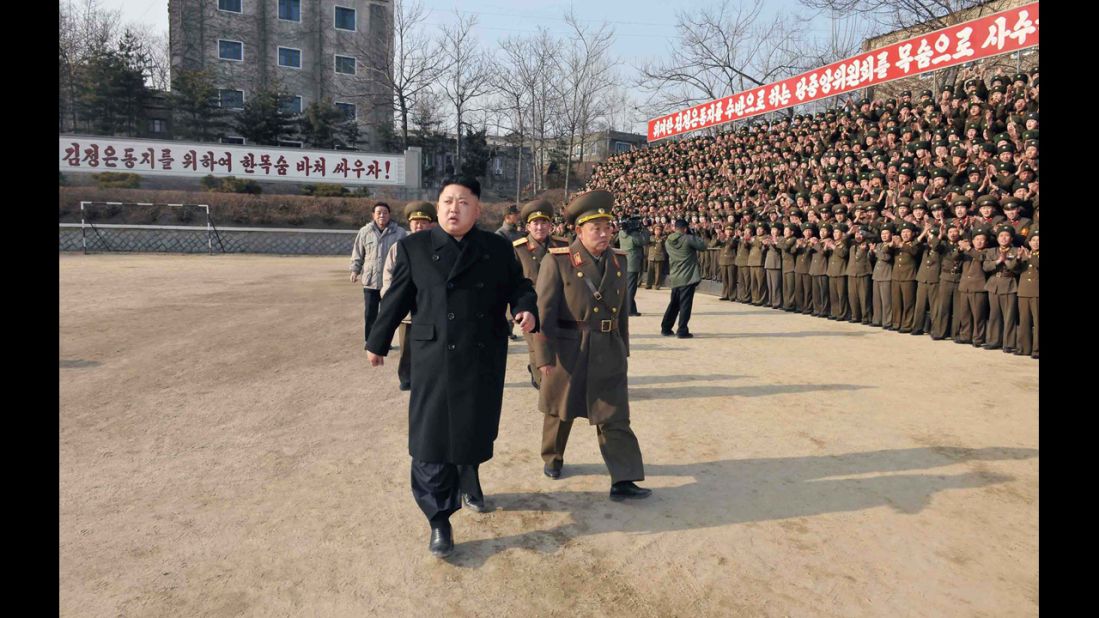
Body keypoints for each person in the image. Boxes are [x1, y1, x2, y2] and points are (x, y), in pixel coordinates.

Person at [365, 176, 539, 558]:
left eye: (463, 202)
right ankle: (439, 519)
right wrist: (377, 341)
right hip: (433, 358)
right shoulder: (415, 247)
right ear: (438, 206)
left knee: (474, 426)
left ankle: (469, 473)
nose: (453, 208)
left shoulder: (496, 247)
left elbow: (519, 286)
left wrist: (526, 307)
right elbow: (396, 299)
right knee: (430, 439)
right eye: (446, 201)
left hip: (481, 354)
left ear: (477, 210)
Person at [531, 189, 650, 500]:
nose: (603, 233)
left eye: (607, 227)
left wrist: (623, 348)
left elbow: (622, 312)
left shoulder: (619, 261)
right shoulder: (557, 262)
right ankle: (553, 457)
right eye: (595, 228)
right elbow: (543, 313)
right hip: (568, 348)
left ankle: (623, 479)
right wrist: (541, 356)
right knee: (561, 409)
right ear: (578, 230)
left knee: (615, 414)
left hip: (607, 348)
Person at [512, 199, 570, 390]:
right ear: (528, 226)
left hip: (559, 306)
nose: (540, 227)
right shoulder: (518, 249)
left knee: (559, 346)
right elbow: (511, 283)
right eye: (535, 223)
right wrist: (513, 312)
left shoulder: (563, 246)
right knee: (537, 347)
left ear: (550, 225)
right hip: (532, 309)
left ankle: (553, 378)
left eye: (544, 222)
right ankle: (541, 383)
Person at [380, 201, 437, 391]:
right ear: (409, 224)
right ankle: (406, 377)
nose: (419, 225)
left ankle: (428, 377)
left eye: (423, 222)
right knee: (407, 348)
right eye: (415, 222)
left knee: (431, 347)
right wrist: (391, 299)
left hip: (430, 309)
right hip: (406, 311)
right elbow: (388, 275)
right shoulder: (399, 247)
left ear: (432, 224)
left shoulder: (438, 246)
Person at [350, 202, 407, 348]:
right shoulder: (365, 231)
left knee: (387, 314)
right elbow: (358, 253)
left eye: (385, 212)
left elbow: (405, 256)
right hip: (371, 281)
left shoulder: (399, 233)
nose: (382, 215)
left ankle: (384, 342)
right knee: (370, 314)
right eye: (379, 212)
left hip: (390, 281)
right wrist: (355, 270)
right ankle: (370, 341)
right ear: (373, 215)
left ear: (390, 215)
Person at [661, 218, 708, 338]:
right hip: (688, 276)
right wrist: (693, 234)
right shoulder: (688, 238)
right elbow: (703, 246)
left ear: (674, 228)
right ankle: (682, 330)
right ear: (685, 229)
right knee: (685, 305)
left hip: (675, 275)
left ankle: (666, 328)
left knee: (674, 304)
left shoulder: (668, 241)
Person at [982, 224, 1022, 352]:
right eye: (1001, 236)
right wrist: (998, 261)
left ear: (1011, 238)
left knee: (1009, 315)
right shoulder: (992, 251)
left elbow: (1017, 269)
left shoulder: (1017, 251)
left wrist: (1008, 261)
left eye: (1007, 236)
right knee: (994, 314)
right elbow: (986, 267)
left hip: (1009, 284)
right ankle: (994, 340)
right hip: (994, 284)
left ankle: (1009, 343)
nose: (1004, 238)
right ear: (997, 238)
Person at [617, 216, 649, 316]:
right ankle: (629, 310)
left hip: (624, 261)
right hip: (632, 262)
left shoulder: (621, 233)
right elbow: (644, 241)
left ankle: (632, 309)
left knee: (627, 287)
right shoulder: (634, 234)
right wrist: (644, 230)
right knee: (631, 288)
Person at [1015, 228, 1038, 359]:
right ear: (1029, 242)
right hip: (1023, 291)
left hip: (1036, 292)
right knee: (1024, 321)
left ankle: (1037, 349)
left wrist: (1031, 258)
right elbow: (1015, 269)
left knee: (1037, 322)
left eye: (1038, 241)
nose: (1036, 243)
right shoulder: (1024, 254)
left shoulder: (1031, 256)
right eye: (1033, 240)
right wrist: (1018, 258)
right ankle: (1024, 347)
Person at [644, 223, 667, 289]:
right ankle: (648, 284)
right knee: (649, 272)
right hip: (651, 256)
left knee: (658, 272)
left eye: (659, 230)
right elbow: (649, 241)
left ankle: (657, 285)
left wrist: (662, 240)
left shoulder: (663, 238)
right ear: (654, 231)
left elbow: (664, 245)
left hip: (659, 257)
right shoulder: (651, 237)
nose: (658, 231)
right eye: (656, 229)